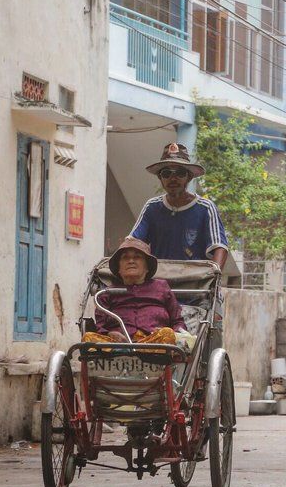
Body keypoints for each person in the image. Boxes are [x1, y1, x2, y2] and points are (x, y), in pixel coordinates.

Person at [130, 142, 229, 270]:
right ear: (160, 178)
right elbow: (133, 242)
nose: (173, 178)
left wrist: (213, 276)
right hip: (159, 281)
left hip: (194, 284)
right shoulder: (152, 207)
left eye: (180, 173)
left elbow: (219, 246)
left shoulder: (205, 208)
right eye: (166, 174)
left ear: (189, 177)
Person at [82, 238, 186, 344]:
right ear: (119, 269)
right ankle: (124, 352)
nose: (131, 261)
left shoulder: (161, 287)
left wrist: (172, 334)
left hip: (154, 342)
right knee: (88, 337)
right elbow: (100, 327)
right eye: (125, 257)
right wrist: (109, 334)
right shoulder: (108, 293)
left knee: (168, 334)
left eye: (137, 257)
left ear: (147, 267)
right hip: (118, 345)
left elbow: (178, 322)